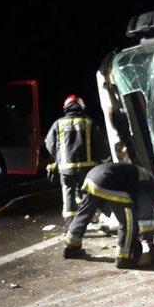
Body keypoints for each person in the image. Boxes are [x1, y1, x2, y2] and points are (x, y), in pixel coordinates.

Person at [63, 162, 154, 268]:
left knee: (85, 213)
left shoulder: (149, 180)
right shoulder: (153, 190)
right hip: (108, 182)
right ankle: (124, 258)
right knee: (128, 222)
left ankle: (71, 247)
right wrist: (151, 244)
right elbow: (144, 217)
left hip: (93, 177)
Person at [44, 95, 106, 227]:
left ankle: (70, 227)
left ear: (66, 108)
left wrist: (58, 158)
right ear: (81, 107)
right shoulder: (89, 122)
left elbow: (49, 143)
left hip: (66, 168)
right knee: (88, 194)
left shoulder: (58, 124)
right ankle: (85, 222)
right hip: (88, 168)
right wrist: (103, 159)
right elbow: (100, 143)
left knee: (68, 195)